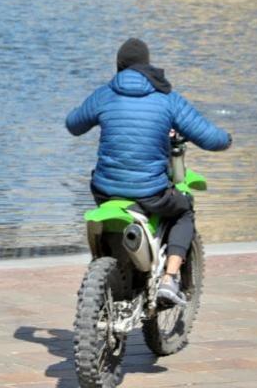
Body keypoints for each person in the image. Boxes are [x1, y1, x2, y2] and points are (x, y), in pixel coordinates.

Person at [66, 38, 231, 306]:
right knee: (184, 209)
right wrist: (227, 139)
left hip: (105, 191)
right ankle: (169, 279)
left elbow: (73, 125)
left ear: (119, 66)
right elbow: (209, 137)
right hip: (149, 193)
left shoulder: (104, 94)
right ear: (147, 65)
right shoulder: (166, 99)